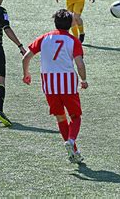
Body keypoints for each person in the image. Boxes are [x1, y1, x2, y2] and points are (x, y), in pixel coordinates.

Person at [22, 9, 87, 164]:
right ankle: (71, 141)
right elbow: (79, 64)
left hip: (49, 85)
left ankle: (74, 152)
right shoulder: (74, 41)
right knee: (76, 117)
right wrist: (84, 79)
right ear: (71, 23)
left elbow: (26, 57)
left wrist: (26, 74)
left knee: (60, 118)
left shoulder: (44, 38)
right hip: (68, 85)